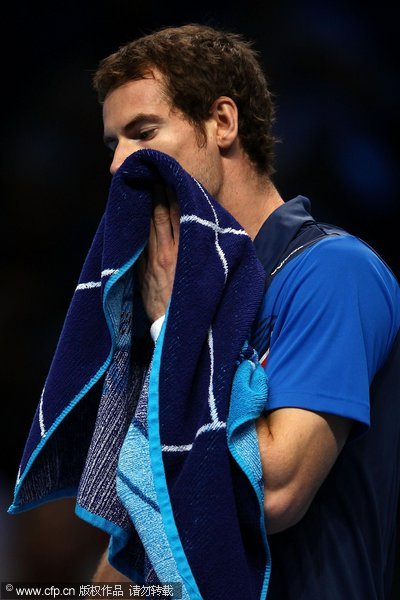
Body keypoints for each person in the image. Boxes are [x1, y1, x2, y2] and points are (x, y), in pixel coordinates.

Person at [13, 23, 400, 599]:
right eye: (112, 144)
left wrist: (176, 325)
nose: (119, 166)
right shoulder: (171, 301)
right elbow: (154, 526)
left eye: (142, 132)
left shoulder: (331, 272)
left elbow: (274, 494)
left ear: (222, 123)